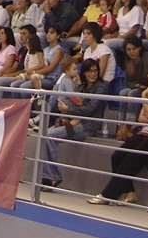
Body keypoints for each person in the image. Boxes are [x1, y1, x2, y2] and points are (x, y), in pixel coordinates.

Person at [87, 62, 148, 206]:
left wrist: (144, 98)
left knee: (131, 161)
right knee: (118, 155)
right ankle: (130, 192)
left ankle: (108, 195)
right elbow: (141, 117)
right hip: (146, 132)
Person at [40, 58, 106, 190]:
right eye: (90, 71)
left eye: (96, 71)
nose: (93, 74)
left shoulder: (101, 87)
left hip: (88, 125)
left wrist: (68, 109)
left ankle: (53, 177)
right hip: (73, 121)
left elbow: (89, 109)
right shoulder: (80, 86)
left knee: (50, 135)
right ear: (84, 72)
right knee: (45, 135)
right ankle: (49, 176)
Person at [116, 36, 148, 140]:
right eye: (128, 50)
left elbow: (147, 78)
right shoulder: (128, 61)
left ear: (139, 48)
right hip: (139, 87)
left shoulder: (147, 57)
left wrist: (137, 84)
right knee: (123, 92)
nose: (131, 52)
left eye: (134, 49)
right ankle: (121, 125)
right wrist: (136, 85)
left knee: (132, 93)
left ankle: (131, 126)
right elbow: (128, 81)